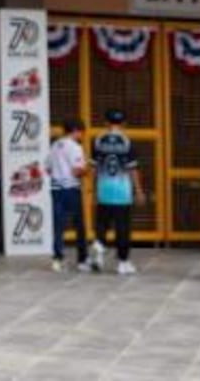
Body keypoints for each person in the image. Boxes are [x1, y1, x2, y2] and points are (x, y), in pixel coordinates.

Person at [90, 108, 143, 276]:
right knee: (123, 228)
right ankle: (123, 262)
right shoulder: (127, 141)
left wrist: (91, 189)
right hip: (122, 192)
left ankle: (98, 255)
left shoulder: (98, 140)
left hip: (103, 190)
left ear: (106, 123)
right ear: (124, 123)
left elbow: (93, 167)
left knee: (101, 225)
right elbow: (133, 169)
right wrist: (139, 190)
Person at [46, 120, 88, 272]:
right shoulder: (75, 147)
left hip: (56, 189)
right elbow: (77, 171)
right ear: (76, 130)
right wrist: (86, 170)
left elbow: (48, 168)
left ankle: (57, 259)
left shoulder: (55, 145)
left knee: (58, 225)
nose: (82, 135)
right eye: (82, 132)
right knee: (79, 225)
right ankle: (82, 260)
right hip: (71, 188)